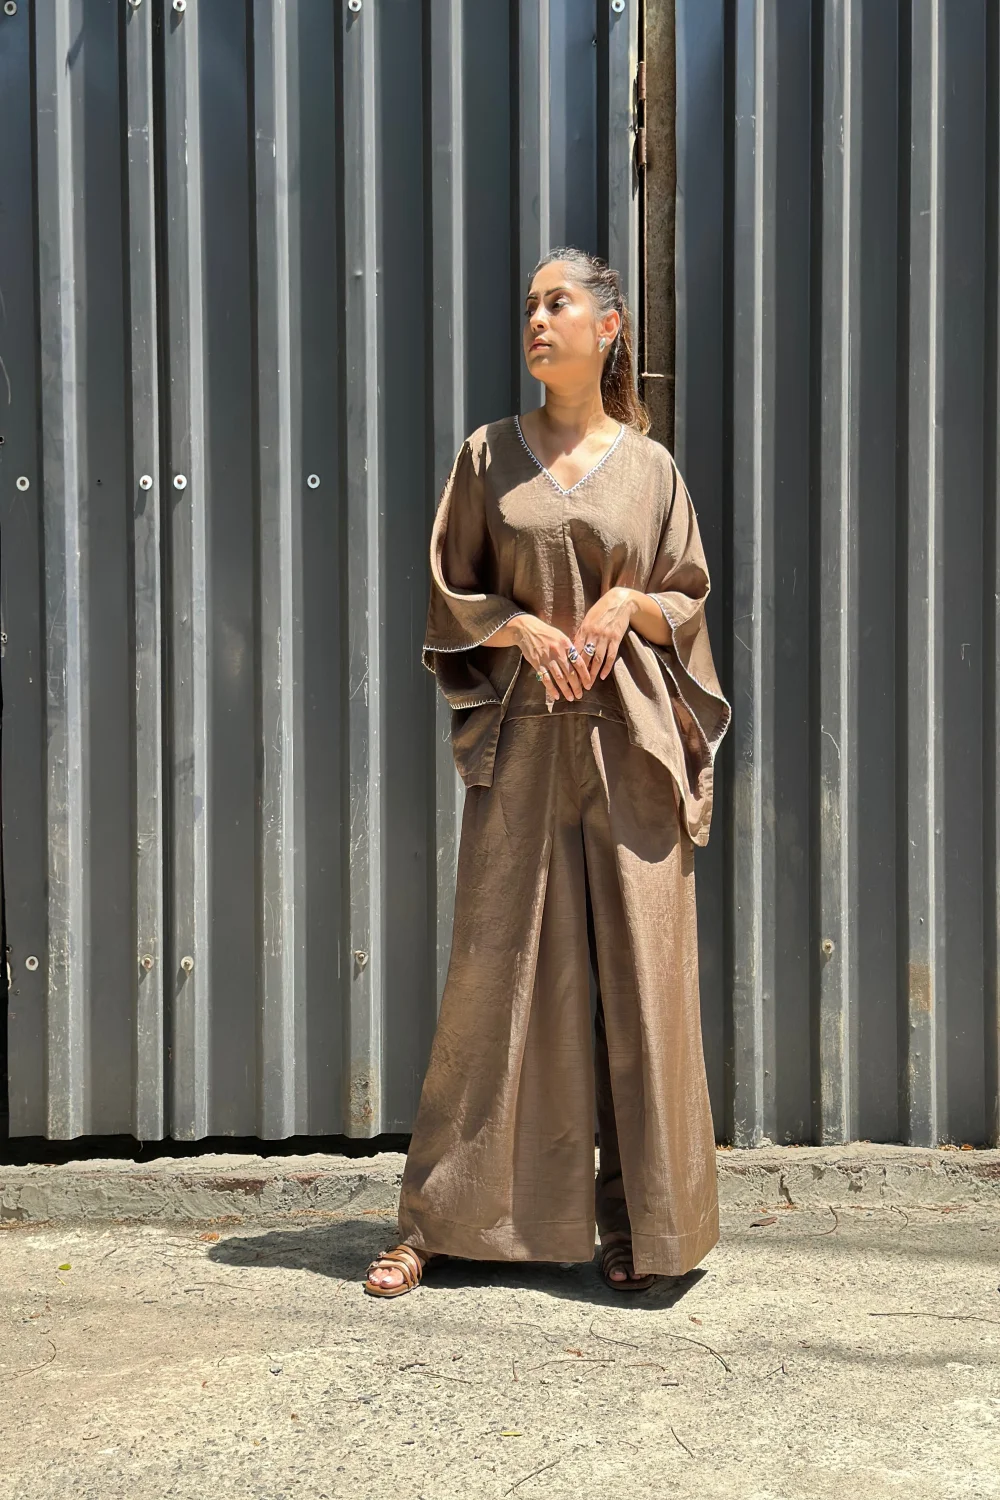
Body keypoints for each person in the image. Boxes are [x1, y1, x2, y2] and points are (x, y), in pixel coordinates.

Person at [364, 247, 731, 1298]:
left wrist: (628, 603)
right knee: (496, 981)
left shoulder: (650, 470)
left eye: (556, 302)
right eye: (528, 304)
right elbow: (450, 594)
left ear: (607, 328)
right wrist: (517, 624)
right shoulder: (487, 456)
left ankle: (641, 1226)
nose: (535, 318)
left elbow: (688, 595)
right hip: (524, 749)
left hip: (632, 749)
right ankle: (436, 1222)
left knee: (642, 989)